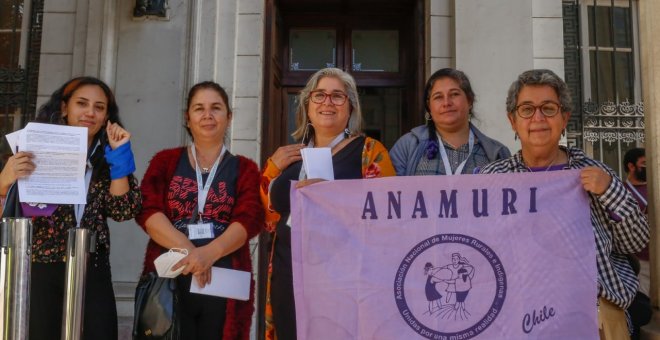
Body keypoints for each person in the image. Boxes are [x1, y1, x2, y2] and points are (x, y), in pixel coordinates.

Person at [479, 69, 649, 340]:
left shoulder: (595, 172)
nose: (538, 118)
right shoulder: (491, 180)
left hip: (594, 307)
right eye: (526, 109)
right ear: (512, 121)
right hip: (514, 308)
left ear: (564, 118)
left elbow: (636, 243)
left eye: (548, 108)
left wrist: (610, 191)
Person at [0, 76, 141, 340]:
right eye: (82, 104)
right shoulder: (33, 150)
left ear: (106, 116)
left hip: (91, 267)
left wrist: (120, 157)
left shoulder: (107, 155)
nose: (90, 112)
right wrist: (3, 181)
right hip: (41, 266)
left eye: (99, 107)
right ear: (64, 108)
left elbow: (124, 211)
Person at [260, 67, 396, 340]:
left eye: (337, 96)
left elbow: (387, 217)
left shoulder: (369, 151)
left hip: (343, 278)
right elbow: (265, 216)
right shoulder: (288, 156)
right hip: (289, 273)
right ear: (307, 106)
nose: (327, 102)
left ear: (351, 108)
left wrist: (334, 197)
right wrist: (271, 169)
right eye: (319, 95)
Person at [137, 81, 263, 339]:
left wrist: (210, 253)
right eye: (199, 108)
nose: (207, 115)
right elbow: (148, 211)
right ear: (188, 117)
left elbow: (249, 218)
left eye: (216, 108)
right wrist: (192, 252)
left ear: (229, 117)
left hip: (225, 280)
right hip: (169, 279)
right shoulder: (165, 161)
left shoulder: (245, 168)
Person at [390, 68, 510, 176]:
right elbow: (389, 196)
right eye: (438, 97)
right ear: (429, 107)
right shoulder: (407, 146)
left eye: (454, 94)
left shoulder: (498, 153)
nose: (446, 103)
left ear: (469, 100)